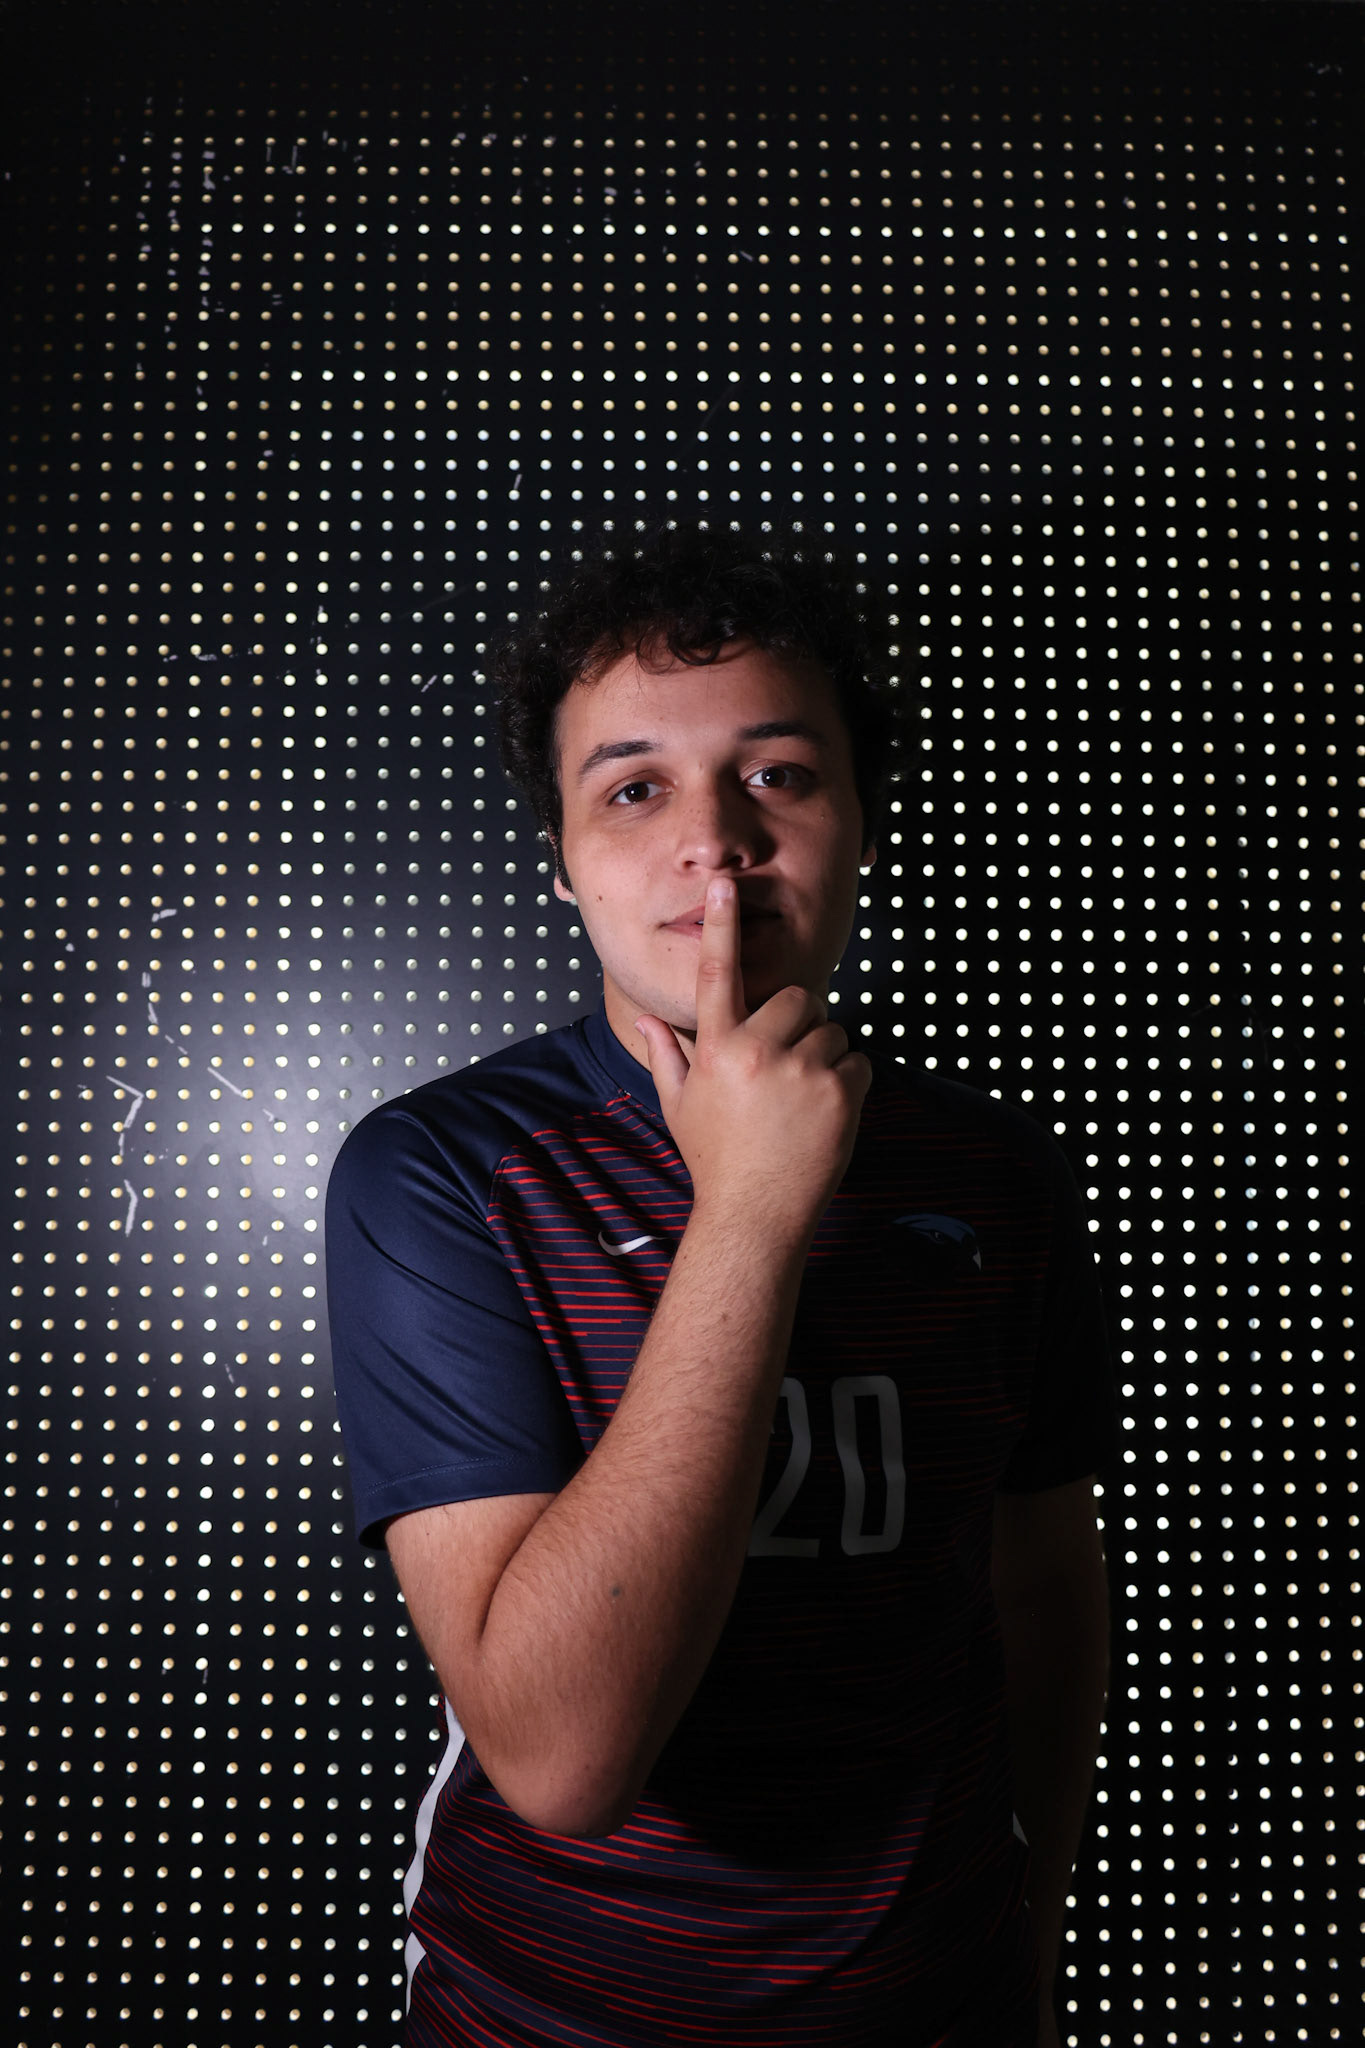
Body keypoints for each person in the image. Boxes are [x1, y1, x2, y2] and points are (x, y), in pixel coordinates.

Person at [325, 516, 1118, 2048]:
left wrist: (1034, 1924)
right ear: (560, 865)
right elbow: (561, 1761)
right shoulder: (436, 1178)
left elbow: (1039, 1583)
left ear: (859, 821)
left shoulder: (994, 1178)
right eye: (634, 788)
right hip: (549, 2015)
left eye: (777, 774)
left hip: (931, 2000)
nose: (715, 841)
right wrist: (749, 1211)